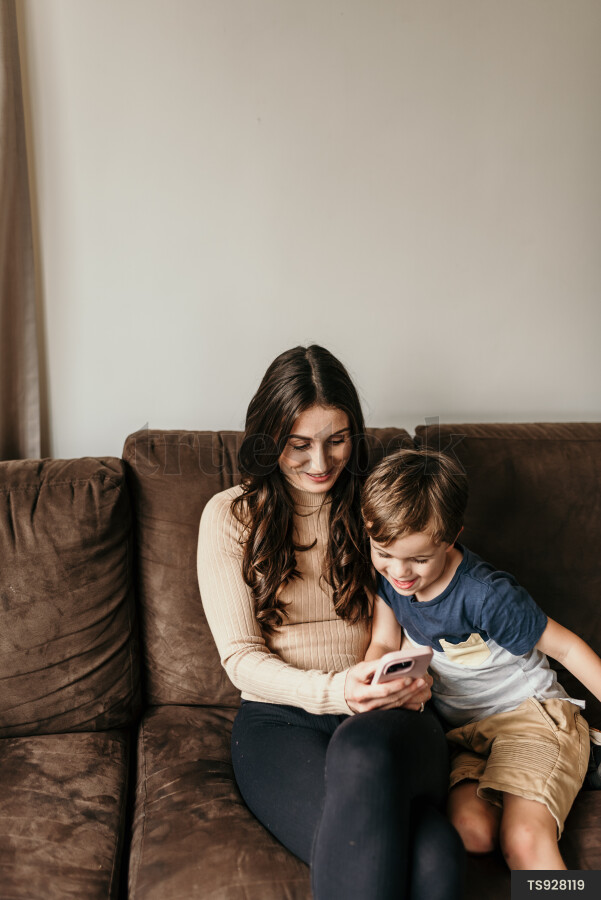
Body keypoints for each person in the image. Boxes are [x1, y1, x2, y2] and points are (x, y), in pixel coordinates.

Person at [197, 345, 464, 900]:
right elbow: (241, 660)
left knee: (368, 756)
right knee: (433, 861)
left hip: (388, 713)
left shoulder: (378, 500)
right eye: (299, 444)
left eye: (337, 440)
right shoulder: (230, 516)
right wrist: (338, 692)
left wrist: (415, 677)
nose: (320, 463)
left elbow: (438, 593)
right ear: (268, 438)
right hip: (280, 722)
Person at [362, 447, 601, 870]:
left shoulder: (486, 595)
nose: (399, 573)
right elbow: (382, 641)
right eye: (384, 553)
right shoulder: (390, 584)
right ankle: (579, 766)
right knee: (470, 833)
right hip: (469, 736)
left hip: (532, 719)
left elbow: (567, 648)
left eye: (419, 559)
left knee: (522, 842)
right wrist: (375, 679)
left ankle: (579, 751)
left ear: (451, 538)